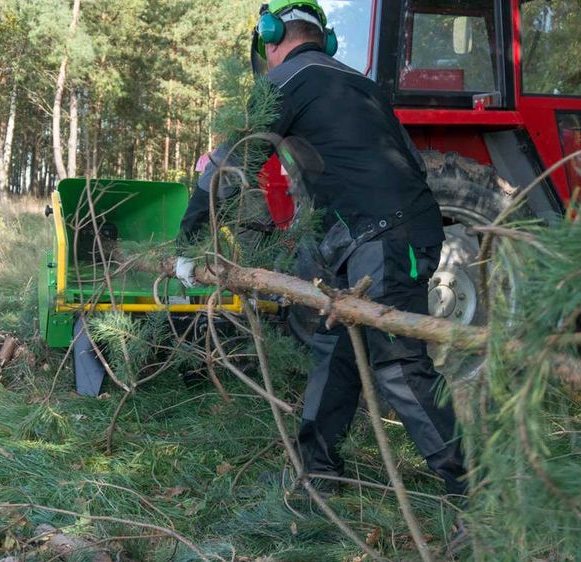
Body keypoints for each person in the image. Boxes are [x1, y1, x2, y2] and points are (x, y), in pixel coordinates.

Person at [175, 0, 466, 496]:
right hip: (375, 234)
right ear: (322, 37)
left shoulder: (285, 80)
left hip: (384, 235)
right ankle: (318, 474)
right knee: (336, 349)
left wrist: (187, 241)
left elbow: (231, 164)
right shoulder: (361, 83)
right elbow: (411, 165)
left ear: (269, 37)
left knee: (397, 363)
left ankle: (474, 492)